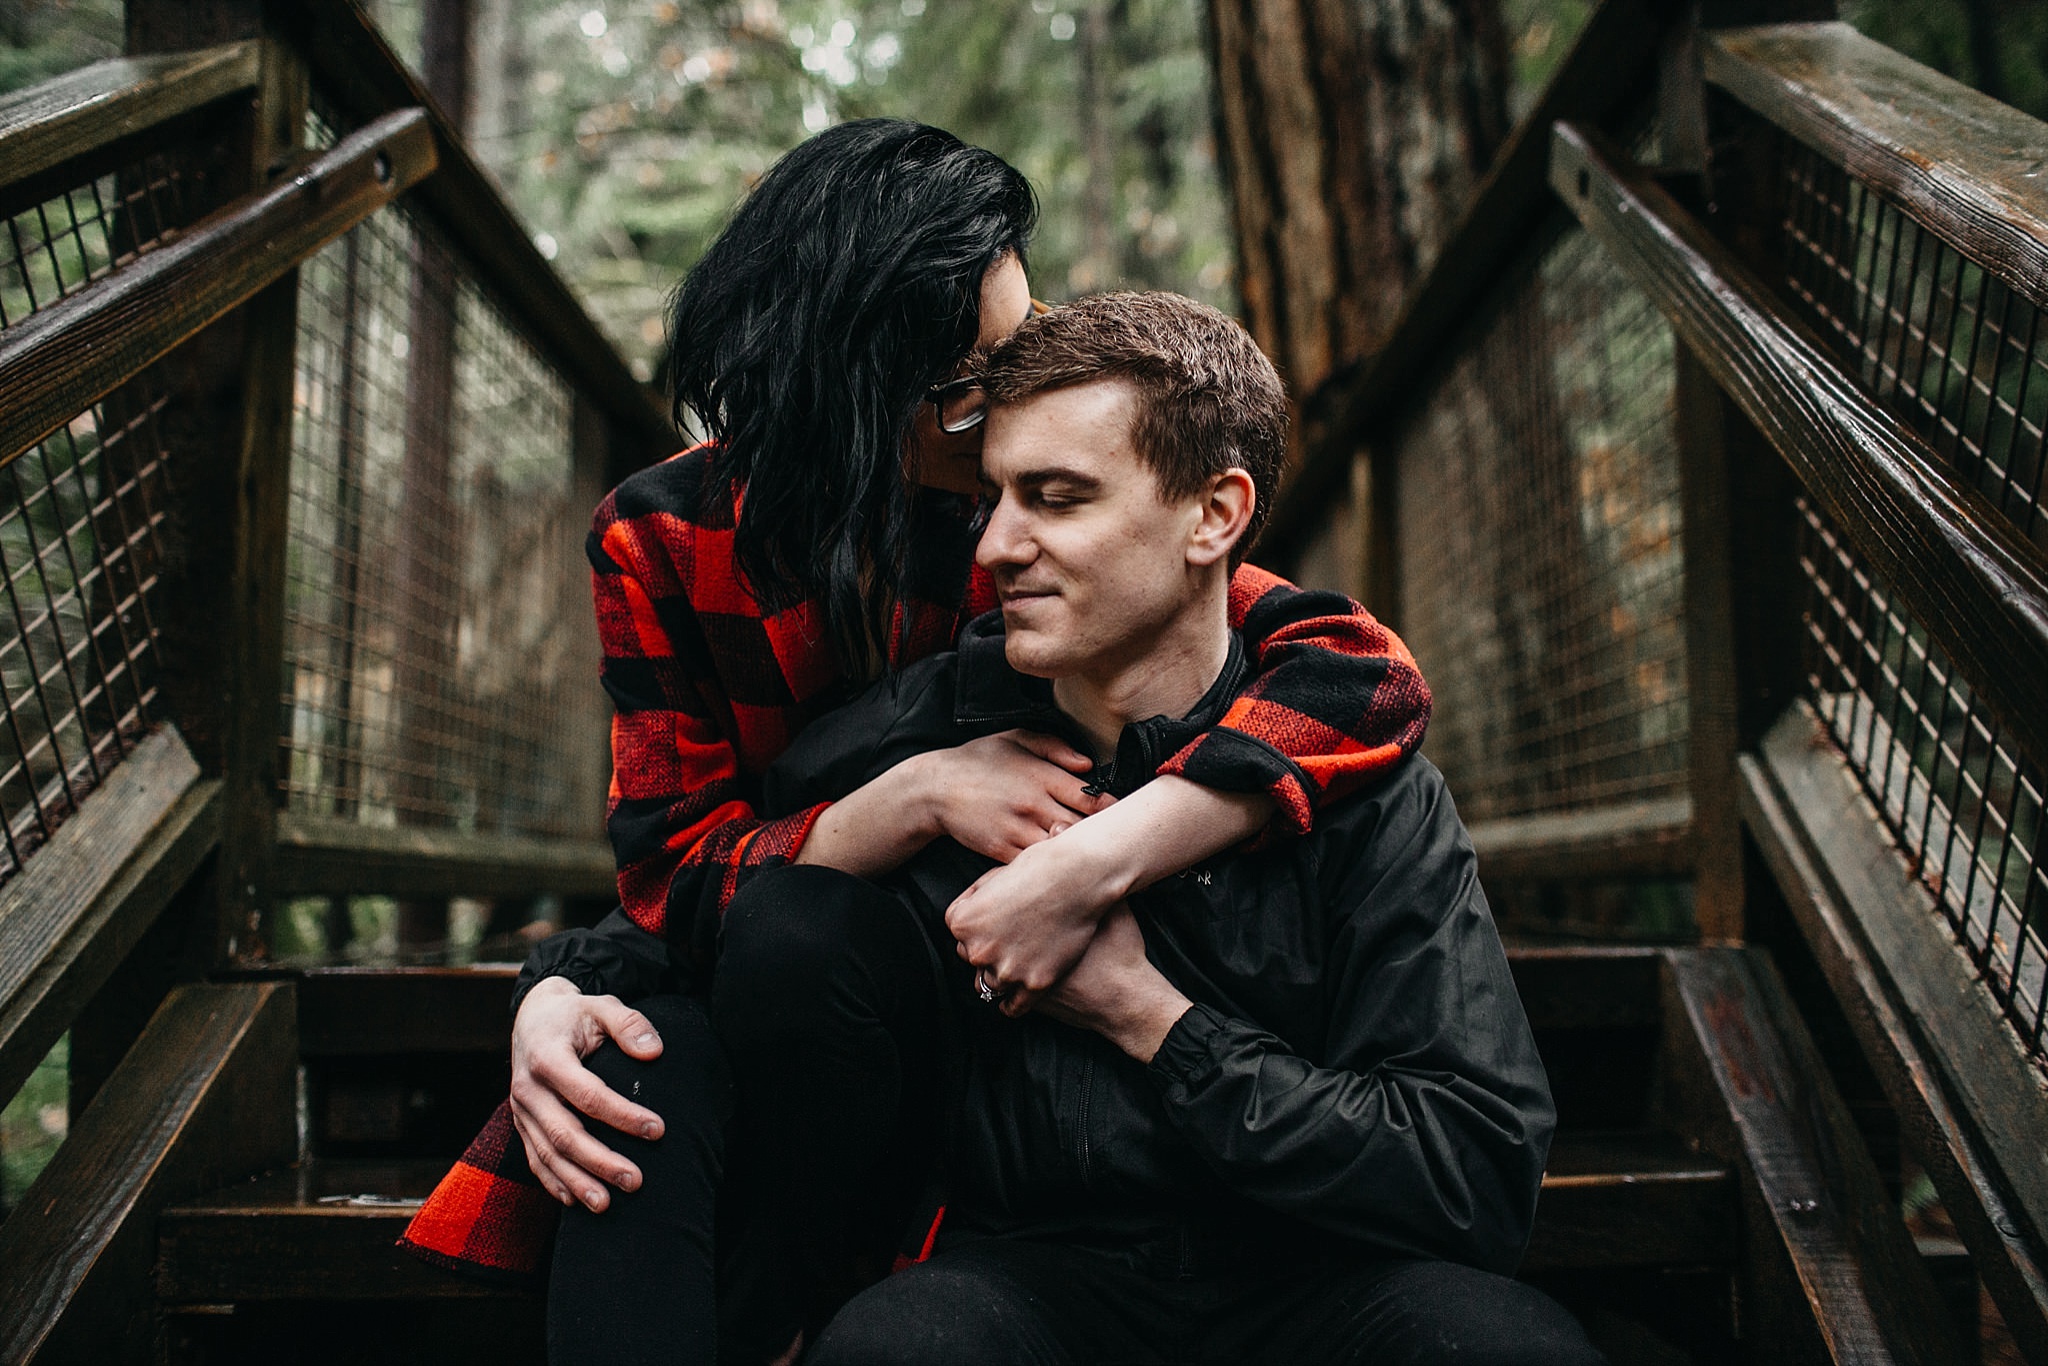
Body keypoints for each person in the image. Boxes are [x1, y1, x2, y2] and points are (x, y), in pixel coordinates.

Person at [399, 121, 1433, 1365]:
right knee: (631, 1056)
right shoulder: (664, 537)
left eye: (1020, 335)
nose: (1009, 399)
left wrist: (1111, 851)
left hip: (990, 987)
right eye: (970, 379)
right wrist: (909, 796)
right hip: (775, 969)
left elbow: (1359, 672)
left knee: (758, 957)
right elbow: (670, 876)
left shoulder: (1019, 520)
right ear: (853, 387)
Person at [731, 291, 1602, 1365]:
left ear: (1212, 517)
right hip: (1027, 1282)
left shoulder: (1367, 792)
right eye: (996, 496)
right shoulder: (917, 746)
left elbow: (1470, 1176)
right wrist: (558, 993)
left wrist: (1151, 1018)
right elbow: (704, 896)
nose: (997, 545)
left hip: (1324, 1277)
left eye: (1056, 497)